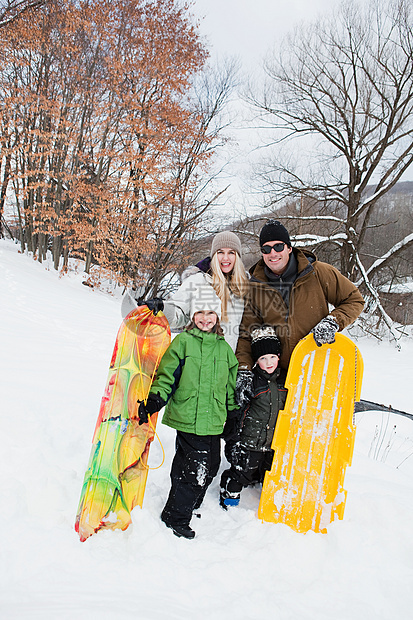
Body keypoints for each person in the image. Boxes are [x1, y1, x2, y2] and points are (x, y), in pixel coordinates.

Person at [137, 289, 239, 539]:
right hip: (189, 415)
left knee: (210, 465)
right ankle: (175, 516)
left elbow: (229, 384)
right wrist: (157, 398)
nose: (206, 318)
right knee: (195, 470)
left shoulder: (224, 348)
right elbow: (167, 374)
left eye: (211, 313)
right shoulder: (183, 342)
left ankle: (190, 501)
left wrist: (233, 412)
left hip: (213, 418)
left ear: (218, 316)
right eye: (200, 313)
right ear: (193, 316)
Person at [235, 220, 365, 405]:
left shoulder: (317, 273)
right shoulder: (256, 287)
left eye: (278, 246)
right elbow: (248, 333)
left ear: (289, 248)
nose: (273, 253)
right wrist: (244, 369)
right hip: (279, 376)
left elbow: (354, 299)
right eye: (266, 249)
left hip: (317, 368)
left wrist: (333, 321)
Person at [123, 231, 249, 353]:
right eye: (220, 252)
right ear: (214, 255)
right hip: (197, 361)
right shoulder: (198, 280)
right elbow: (180, 313)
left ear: (237, 256)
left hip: (226, 364)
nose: (225, 258)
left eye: (231, 253)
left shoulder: (242, 287)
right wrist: (162, 308)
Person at [219, 325, 287, 509]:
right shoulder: (252, 381)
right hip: (251, 440)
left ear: (279, 357)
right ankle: (229, 493)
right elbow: (239, 410)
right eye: (264, 358)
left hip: (272, 441)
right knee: (243, 471)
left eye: (273, 357)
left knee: (268, 471)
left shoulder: (285, 380)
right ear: (257, 360)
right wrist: (234, 436)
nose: (269, 362)